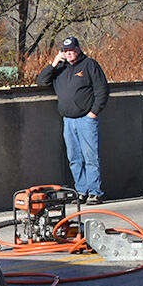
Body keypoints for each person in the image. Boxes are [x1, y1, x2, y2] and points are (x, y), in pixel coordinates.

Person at [37, 36, 109, 203]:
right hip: (68, 120)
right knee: (74, 158)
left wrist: (93, 113)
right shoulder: (60, 68)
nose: (69, 54)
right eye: (65, 51)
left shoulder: (89, 65)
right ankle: (81, 191)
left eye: (71, 50)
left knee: (91, 157)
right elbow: (42, 81)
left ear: (78, 49)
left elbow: (102, 90)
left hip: (86, 119)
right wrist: (54, 63)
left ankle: (94, 192)